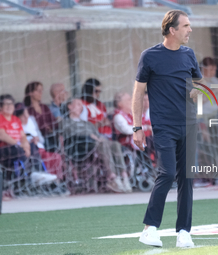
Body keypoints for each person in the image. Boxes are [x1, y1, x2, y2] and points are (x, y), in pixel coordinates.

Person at [132, 10, 202, 248]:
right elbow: (138, 93)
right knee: (168, 173)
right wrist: (137, 127)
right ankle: (150, 228)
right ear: (172, 30)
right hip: (163, 126)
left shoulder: (189, 55)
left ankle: (184, 232)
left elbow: (196, 87)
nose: (190, 30)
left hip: (189, 125)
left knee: (186, 178)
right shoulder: (150, 56)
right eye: (186, 26)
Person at [62, 98, 129, 193]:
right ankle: (112, 177)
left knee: (115, 144)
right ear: (70, 106)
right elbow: (71, 133)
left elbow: (97, 135)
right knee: (102, 143)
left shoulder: (88, 124)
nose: (80, 107)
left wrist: (97, 138)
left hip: (96, 143)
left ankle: (123, 176)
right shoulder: (66, 122)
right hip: (81, 147)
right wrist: (90, 136)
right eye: (78, 104)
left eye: (81, 105)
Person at [0, 95, 56, 185]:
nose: (9, 106)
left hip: (17, 146)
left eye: (11, 104)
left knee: (32, 146)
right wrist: (18, 144)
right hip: (4, 148)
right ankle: (28, 176)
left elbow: (23, 136)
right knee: (18, 149)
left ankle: (40, 173)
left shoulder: (15, 119)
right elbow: (1, 135)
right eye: (6, 104)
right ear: (0, 107)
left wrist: (26, 146)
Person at [14, 103, 63, 180]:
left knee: (57, 156)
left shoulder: (32, 119)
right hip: (30, 149)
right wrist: (30, 141)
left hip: (40, 147)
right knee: (46, 157)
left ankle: (57, 181)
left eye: (26, 113)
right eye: (22, 115)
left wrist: (37, 139)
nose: (26, 116)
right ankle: (44, 177)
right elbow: (17, 140)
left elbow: (42, 139)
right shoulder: (16, 125)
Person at [24, 81, 60, 153]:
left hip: (51, 134)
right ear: (30, 93)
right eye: (38, 91)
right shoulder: (27, 110)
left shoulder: (44, 107)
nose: (41, 93)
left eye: (41, 90)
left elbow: (53, 121)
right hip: (38, 137)